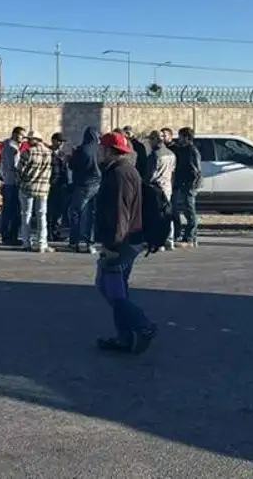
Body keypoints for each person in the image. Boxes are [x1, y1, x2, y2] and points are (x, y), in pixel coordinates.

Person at [93, 132, 157, 354]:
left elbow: (120, 213)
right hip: (131, 238)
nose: (99, 152)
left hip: (122, 241)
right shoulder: (125, 170)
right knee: (116, 289)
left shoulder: (119, 174)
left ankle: (142, 325)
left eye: (101, 149)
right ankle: (125, 336)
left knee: (110, 289)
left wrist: (112, 245)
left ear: (110, 151)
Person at [17, 131, 53, 252]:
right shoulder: (49, 153)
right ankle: (42, 244)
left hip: (27, 187)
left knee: (26, 215)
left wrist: (21, 181)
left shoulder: (27, 152)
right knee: (42, 216)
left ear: (36, 140)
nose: (27, 142)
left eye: (30, 139)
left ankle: (26, 243)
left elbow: (20, 170)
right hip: (43, 188)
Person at [68, 127, 102, 253]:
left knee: (76, 212)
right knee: (91, 214)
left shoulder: (81, 150)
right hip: (97, 185)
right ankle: (89, 242)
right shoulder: (100, 150)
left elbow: (72, 165)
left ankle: (74, 241)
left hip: (82, 185)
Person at [171, 127, 202, 247]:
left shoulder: (191, 150)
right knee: (185, 209)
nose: (179, 139)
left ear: (186, 137)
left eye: (181, 136)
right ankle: (190, 236)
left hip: (189, 185)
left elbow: (196, 170)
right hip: (182, 183)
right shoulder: (182, 150)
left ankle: (190, 237)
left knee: (189, 210)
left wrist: (191, 185)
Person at [147, 129, 176, 250]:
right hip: (167, 186)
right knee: (167, 213)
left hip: (156, 187)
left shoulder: (155, 155)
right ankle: (170, 239)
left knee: (157, 215)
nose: (149, 142)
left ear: (154, 140)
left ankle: (159, 241)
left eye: (150, 140)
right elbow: (173, 171)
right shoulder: (171, 153)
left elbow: (151, 174)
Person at [0, 126, 26, 246]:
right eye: (22, 135)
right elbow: (15, 167)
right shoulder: (12, 149)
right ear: (15, 134)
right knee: (14, 212)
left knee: (7, 211)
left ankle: (6, 235)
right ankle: (11, 236)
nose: (23, 138)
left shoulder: (6, 146)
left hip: (7, 182)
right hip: (13, 183)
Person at [47, 132, 71, 243]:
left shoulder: (63, 155)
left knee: (59, 211)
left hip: (61, 186)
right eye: (59, 141)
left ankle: (56, 232)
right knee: (49, 210)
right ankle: (49, 233)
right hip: (50, 185)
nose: (61, 144)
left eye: (63, 142)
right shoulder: (47, 153)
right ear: (53, 141)